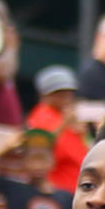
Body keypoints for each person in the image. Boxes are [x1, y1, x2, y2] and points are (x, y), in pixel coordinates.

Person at [25, 66, 88, 197]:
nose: (66, 97)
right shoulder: (40, 115)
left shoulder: (67, 116)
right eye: (59, 92)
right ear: (45, 94)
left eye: (69, 92)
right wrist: (65, 123)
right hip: (57, 192)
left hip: (76, 191)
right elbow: (43, 150)